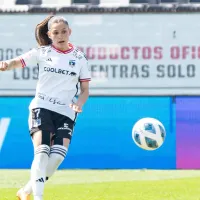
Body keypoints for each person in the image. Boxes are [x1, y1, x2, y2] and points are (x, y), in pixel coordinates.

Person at [0, 15, 91, 200]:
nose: (60, 35)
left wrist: (79, 103)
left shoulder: (79, 58)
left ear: (70, 32)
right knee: (42, 153)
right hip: (42, 107)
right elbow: (18, 61)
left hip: (66, 112)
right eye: (56, 32)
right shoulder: (43, 52)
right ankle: (38, 198)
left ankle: (25, 191)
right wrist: (6, 64)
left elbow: (85, 90)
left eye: (64, 31)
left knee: (56, 158)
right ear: (49, 35)